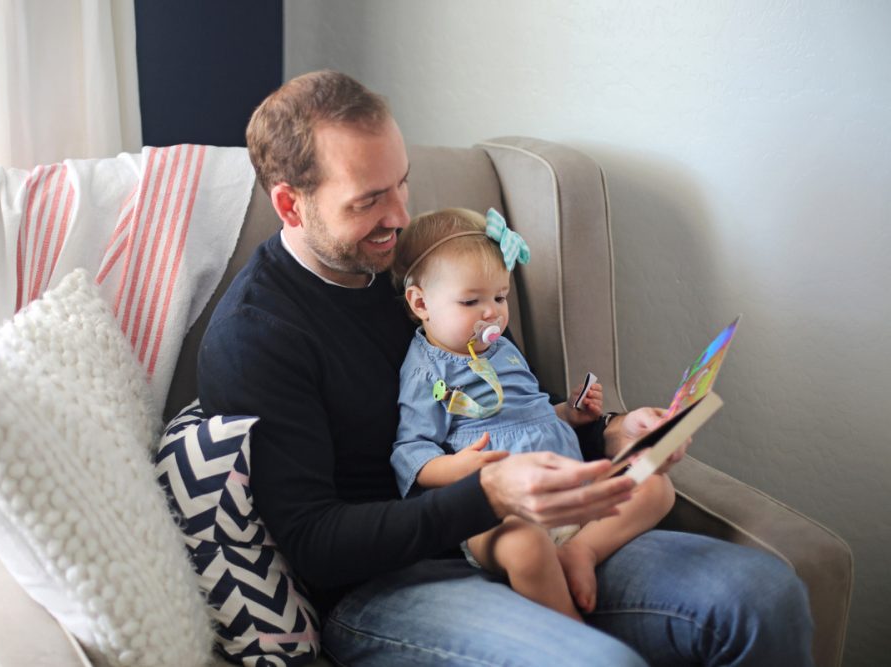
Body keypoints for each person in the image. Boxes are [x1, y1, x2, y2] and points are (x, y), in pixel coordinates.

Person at [198, 69, 814, 665]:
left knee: (764, 595)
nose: (399, 217)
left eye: (401, 184)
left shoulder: (425, 265)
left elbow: (514, 404)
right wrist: (485, 495)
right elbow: (316, 545)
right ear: (289, 204)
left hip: (538, 528)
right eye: (369, 200)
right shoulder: (257, 335)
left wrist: (612, 432)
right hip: (389, 585)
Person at [390, 207, 676, 620]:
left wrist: (570, 413)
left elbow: (531, 415)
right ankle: (578, 641)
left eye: (500, 297)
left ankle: (582, 550)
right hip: (499, 512)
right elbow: (410, 450)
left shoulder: (503, 350)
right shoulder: (425, 370)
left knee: (655, 484)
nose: (492, 314)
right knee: (525, 547)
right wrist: (458, 469)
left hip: (565, 487)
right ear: (421, 303)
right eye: (471, 301)